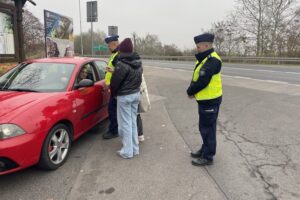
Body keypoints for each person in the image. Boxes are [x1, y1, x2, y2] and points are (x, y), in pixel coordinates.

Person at [186, 33, 223, 166]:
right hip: (206, 100)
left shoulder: (212, 60)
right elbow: (196, 76)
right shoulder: (205, 58)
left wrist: (190, 91)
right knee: (206, 128)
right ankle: (205, 149)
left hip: (210, 100)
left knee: (207, 129)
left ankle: (208, 157)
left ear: (206, 45)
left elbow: (203, 81)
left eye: (198, 46)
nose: (197, 49)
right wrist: (192, 90)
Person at [110, 38, 143, 159]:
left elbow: (114, 83)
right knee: (133, 121)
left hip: (124, 96)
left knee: (125, 123)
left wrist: (113, 93)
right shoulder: (138, 62)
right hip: (135, 94)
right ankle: (135, 148)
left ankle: (127, 151)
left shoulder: (121, 64)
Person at [102, 35, 120, 139]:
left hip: (115, 88)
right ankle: (114, 129)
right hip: (112, 87)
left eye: (109, 46)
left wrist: (112, 71)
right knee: (112, 110)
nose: (108, 48)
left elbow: (120, 72)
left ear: (114, 44)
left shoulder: (118, 55)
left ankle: (113, 131)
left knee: (112, 111)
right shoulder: (114, 54)